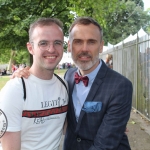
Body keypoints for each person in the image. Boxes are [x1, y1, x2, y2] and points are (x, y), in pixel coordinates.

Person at [11, 17, 132, 150]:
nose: (84, 49)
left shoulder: (120, 86)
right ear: (69, 46)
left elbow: (105, 144)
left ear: (101, 46)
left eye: (91, 42)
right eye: (78, 42)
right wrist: (24, 75)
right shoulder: (67, 77)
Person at [0, 18, 68, 150]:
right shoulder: (15, 90)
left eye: (57, 43)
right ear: (30, 48)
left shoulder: (64, 85)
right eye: (43, 43)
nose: (51, 49)